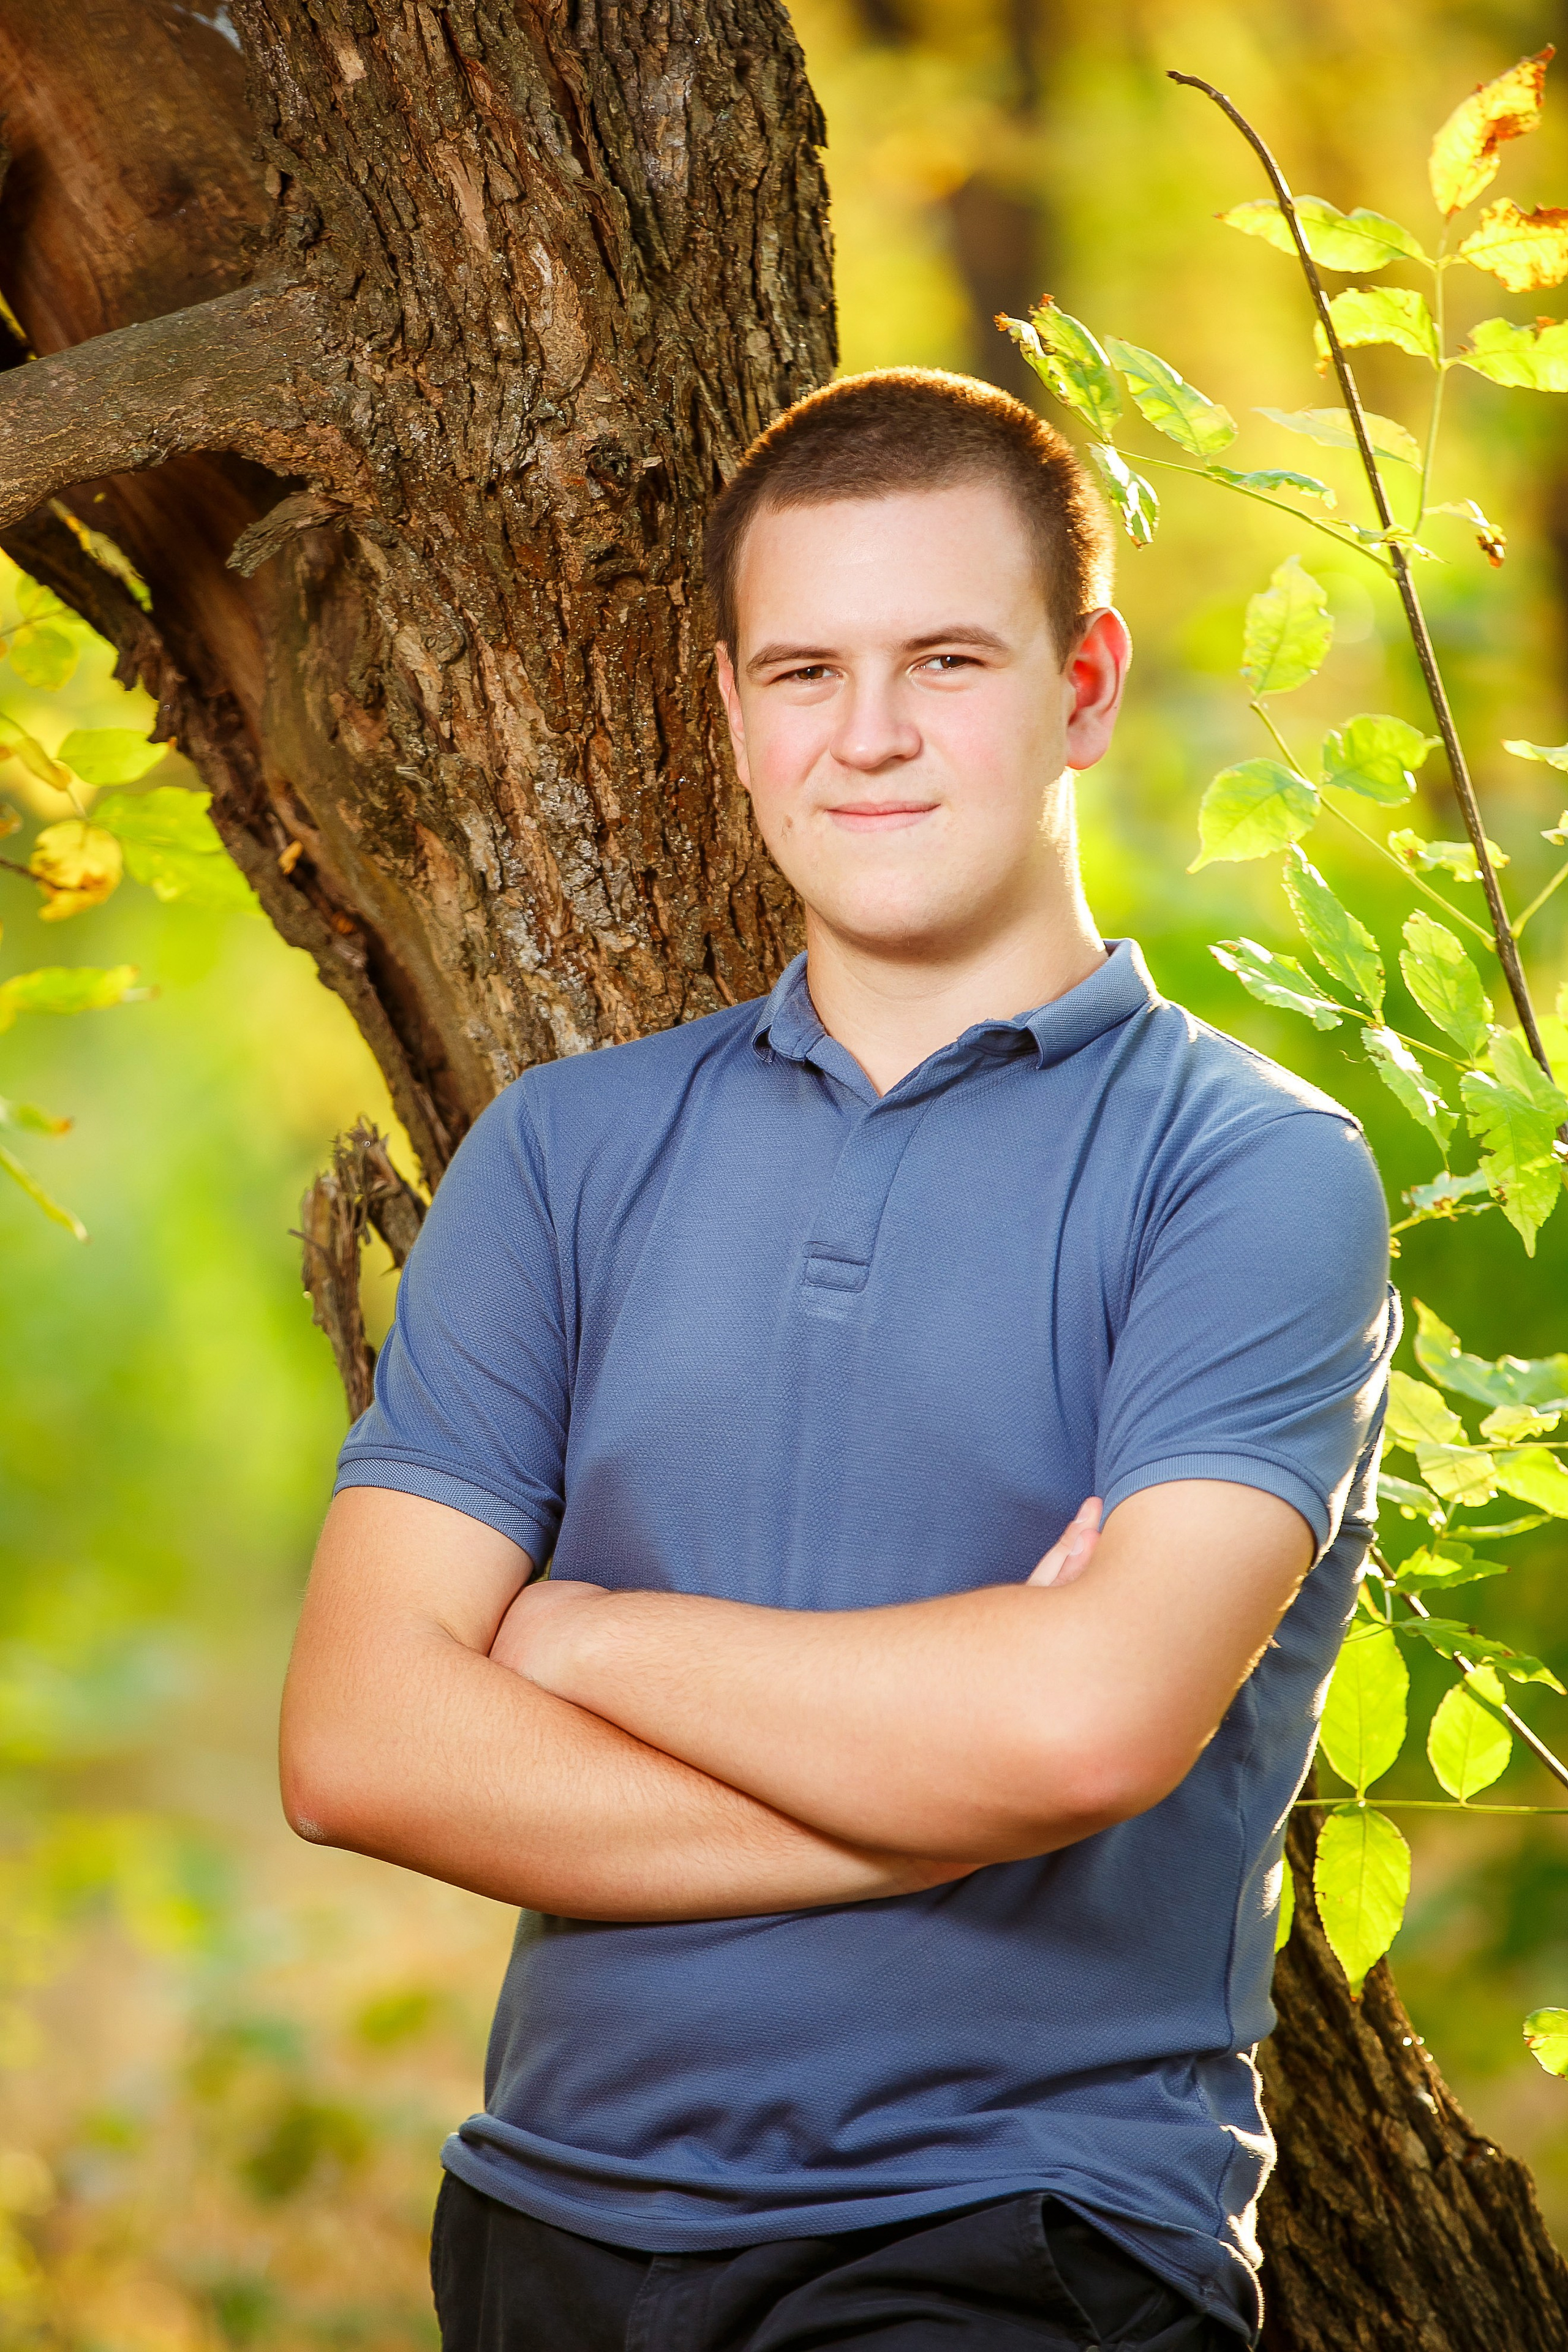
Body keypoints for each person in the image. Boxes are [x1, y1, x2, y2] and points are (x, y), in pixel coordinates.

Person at [280, 368, 1396, 2352]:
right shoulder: (564, 1153)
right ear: (730, 708)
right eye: (803, 672)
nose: (867, 736)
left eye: (945, 658)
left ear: (1083, 683)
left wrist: (575, 1640)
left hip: (1019, 2236)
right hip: (547, 2219)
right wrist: (954, 1782)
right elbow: (359, 1744)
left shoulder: (1247, 1172)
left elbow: (1085, 1733)